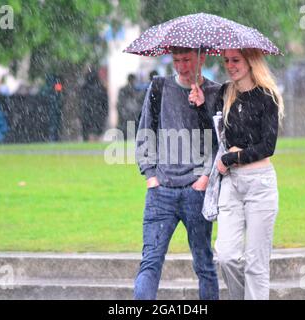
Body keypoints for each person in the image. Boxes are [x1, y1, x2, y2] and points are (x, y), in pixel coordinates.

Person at [190, 48, 284, 300]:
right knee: (227, 255)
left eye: (236, 60)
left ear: (250, 61)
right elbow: (215, 135)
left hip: (259, 184)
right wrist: (200, 107)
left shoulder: (268, 97)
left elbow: (268, 147)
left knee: (256, 263)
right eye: (227, 61)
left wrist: (231, 158)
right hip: (231, 183)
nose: (230, 65)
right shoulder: (225, 93)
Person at [134, 47, 220, 300]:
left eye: (187, 60)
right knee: (150, 263)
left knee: (204, 265)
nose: (181, 66)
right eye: (177, 60)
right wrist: (151, 175)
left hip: (197, 192)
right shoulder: (159, 87)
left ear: (202, 58)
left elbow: (221, 142)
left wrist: (205, 178)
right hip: (161, 193)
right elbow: (145, 132)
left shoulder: (216, 92)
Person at [79, 69, 109, 141]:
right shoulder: (101, 88)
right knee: (96, 131)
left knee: (87, 131)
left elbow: (81, 102)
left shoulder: (84, 88)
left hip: (87, 113)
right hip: (98, 113)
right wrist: (105, 113)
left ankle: (88, 141)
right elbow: (105, 103)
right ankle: (95, 140)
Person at [116, 74, 142, 139]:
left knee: (125, 137)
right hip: (133, 117)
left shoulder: (123, 90)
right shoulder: (137, 91)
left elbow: (120, 104)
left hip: (126, 118)